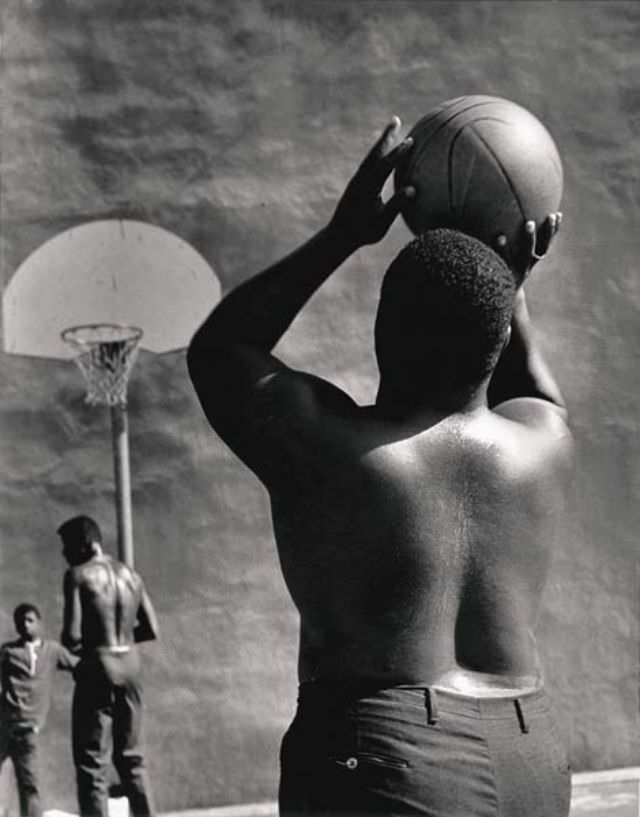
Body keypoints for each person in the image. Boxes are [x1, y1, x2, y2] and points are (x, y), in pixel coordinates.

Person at [187, 117, 574, 816]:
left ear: (382, 332)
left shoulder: (333, 451)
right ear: (497, 342)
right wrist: (508, 271)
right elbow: (531, 382)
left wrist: (344, 234)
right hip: (531, 757)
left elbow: (222, 348)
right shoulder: (541, 443)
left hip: (386, 755)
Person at [58, 515, 158, 817]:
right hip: (130, 665)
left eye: (67, 546)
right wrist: (123, 638)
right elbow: (151, 629)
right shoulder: (131, 575)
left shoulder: (77, 575)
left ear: (85, 543)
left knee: (92, 762)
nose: (64, 554)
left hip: (98, 666)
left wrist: (92, 647)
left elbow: (72, 637)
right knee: (132, 758)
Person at [1, 603, 77, 817]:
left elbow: (78, 665)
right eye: (20, 622)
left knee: (30, 785)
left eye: (29, 620)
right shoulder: (8, 652)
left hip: (28, 731)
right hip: (4, 727)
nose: (24, 626)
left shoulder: (51, 651)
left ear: (39, 623)